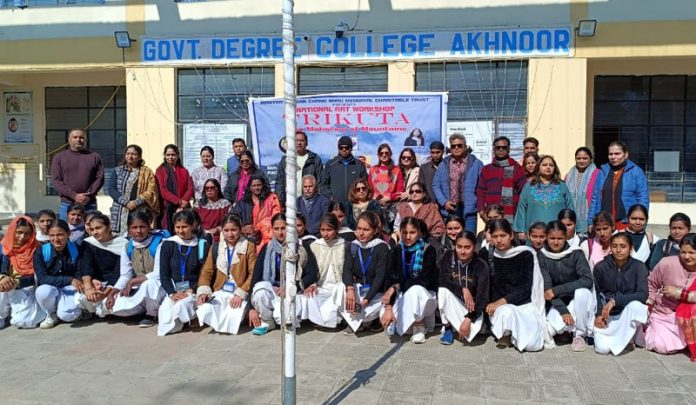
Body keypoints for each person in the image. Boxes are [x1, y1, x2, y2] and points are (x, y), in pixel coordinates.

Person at [480, 219, 545, 352]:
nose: (499, 240)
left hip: (523, 305)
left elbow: (526, 289)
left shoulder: (525, 254)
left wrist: (502, 301)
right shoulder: (485, 253)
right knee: (505, 312)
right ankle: (506, 333)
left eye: (503, 236)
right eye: (495, 236)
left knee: (533, 345)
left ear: (511, 235)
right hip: (498, 309)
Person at [248, 213, 314, 335]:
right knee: (259, 289)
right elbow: (256, 277)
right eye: (276, 229)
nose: (280, 232)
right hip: (272, 289)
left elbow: (312, 273)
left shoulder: (301, 247)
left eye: (283, 228)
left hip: (292, 290)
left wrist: (291, 287)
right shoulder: (266, 249)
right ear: (272, 229)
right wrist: (251, 307)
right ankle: (267, 321)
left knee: (286, 320)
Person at [196, 213, 257, 335]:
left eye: (234, 230)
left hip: (238, 291)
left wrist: (241, 293)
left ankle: (241, 316)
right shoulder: (217, 246)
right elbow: (207, 271)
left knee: (231, 318)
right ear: (222, 231)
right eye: (226, 230)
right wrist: (204, 291)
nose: (230, 234)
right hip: (221, 290)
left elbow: (252, 273)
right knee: (204, 308)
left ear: (240, 230)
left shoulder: (248, 246)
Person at [539, 221, 595, 352]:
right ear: (546, 237)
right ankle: (566, 331)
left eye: (560, 238)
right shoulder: (542, 256)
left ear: (566, 237)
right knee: (549, 331)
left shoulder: (576, 253)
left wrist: (557, 290)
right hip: (556, 302)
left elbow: (587, 280)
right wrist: (564, 311)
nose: (556, 242)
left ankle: (579, 335)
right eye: (552, 238)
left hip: (578, 300)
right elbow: (547, 289)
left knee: (582, 292)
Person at [380, 218, 438, 343]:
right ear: (400, 232)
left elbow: (423, 280)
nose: (408, 236)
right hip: (401, 294)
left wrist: (395, 287)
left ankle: (419, 326)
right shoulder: (395, 250)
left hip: (423, 297)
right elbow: (389, 278)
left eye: (412, 232)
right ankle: (408, 325)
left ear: (419, 233)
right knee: (384, 316)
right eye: (405, 232)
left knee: (415, 290)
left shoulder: (428, 250)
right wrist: (389, 307)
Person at [107, 210, 167, 327]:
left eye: (142, 227)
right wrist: (112, 292)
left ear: (149, 225)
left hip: (160, 285)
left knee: (150, 284)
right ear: (129, 229)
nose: (138, 231)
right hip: (139, 286)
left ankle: (151, 315)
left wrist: (133, 281)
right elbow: (125, 275)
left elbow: (160, 273)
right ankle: (142, 309)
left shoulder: (161, 243)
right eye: (134, 227)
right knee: (114, 306)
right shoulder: (128, 247)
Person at [592, 233, 649, 355]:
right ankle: (623, 338)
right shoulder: (601, 267)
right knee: (602, 350)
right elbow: (595, 292)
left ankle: (629, 336)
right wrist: (598, 314)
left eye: (623, 246)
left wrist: (614, 301)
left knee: (637, 306)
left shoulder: (639, 267)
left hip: (627, 315)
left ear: (631, 248)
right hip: (607, 316)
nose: (618, 250)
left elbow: (642, 295)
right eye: (614, 246)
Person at [642, 234, 696, 360]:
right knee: (661, 346)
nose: (687, 256)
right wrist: (649, 304)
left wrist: (679, 293)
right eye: (683, 252)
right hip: (664, 314)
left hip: (689, 318)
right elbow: (651, 284)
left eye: (692, 253)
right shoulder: (668, 263)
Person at [157, 210, 209, 336]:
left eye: (185, 227)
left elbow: (204, 274)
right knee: (165, 315)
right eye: (177, 227)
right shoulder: (168, 245)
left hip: (193, 291)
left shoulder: (201, 245)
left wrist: (191, 290)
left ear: (193, 226)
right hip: (175, 290)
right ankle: (185, 319)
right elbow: (164, 275)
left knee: (181, 307)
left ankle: (191, 317)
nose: (181, 231)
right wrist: (172, 293)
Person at [341, 211, 390, 334]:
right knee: (340, 290)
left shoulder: (382, 247)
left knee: (375, 308)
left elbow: (380, 276)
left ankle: (367, 321)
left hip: (375, 293)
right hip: (360, 288)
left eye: (366, 229)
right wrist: (350, 289)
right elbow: (347, 269)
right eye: (359, 228)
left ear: (374, 231)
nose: (361, 233)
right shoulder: (353, 246)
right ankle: (358, 322)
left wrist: (367, 300)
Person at [438, 231, 490, 345]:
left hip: (473, 311)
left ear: (474, 247)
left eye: (467, 247)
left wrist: (469, 318)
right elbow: (443, 280)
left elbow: (483, 297)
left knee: (476, 332)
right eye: (459, 247)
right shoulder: (448, 256)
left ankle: (471, 326)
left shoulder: (481, 265)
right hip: (454, 305)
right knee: (443, 291)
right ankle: (448, 328)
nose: (462, 251)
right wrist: (462, 289)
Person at [589, 140, 649, 231]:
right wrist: (591, 221)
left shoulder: (636, 172)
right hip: (604, 223)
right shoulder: (602, 172)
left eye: (617, 154)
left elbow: (643, 198)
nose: (613, 157)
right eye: (610, 154)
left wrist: (640, 221)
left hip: (626, 222)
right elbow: (595, 198)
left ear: (626, 155)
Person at [33, 220, 83, 328]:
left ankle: (73, 311)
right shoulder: (40, 252)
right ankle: (51, 314)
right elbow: (42, 278)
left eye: (60, 235)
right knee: (42, 291)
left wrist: (72, 282)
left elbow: (79, 273)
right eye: (52, 235)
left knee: (67, 315)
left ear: (68, 234)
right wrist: (69, 280)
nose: (56, 239)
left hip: (71, 288)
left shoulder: (76, 250)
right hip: (51, 287)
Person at [76, 214, 128, 317]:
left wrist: (106, 293)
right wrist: (89, 286)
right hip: (95, 284)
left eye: (98, 228)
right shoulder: (88, 243)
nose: (95, 232)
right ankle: (93, 312)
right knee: (80, 299)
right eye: (92, 229)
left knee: (116, 305)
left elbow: (120, 271)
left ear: (109, 227)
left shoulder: (122, 244)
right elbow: (86, 265)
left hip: (115, 285)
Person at [513, 155, 574, 240]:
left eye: (551, 165)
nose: (548, 167)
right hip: (534, 235)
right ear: (538, 167)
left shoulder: (562, 186)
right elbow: (521, 209)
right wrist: (521, 230)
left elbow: (570, 208)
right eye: (544, 165)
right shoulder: (529, 186)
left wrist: (569, 229)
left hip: (556, 234)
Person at [301, 213, 346, 328]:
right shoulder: (315, 245)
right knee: (309, 296)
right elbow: (309, 269)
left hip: (339, 286)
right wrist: (312, 284)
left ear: (336, 230)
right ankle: (320, 320)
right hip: (321, 287)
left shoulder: (344, 245)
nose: (325, 234)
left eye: (329, 230)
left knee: (341, 291)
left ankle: (341, 320)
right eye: (323, 230)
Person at [0, 216, 45, 329]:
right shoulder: (4, 247)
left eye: (27, 233)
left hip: (27, 286)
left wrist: (17, 282)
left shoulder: (38, 249)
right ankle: (2, 317)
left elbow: (40, 275)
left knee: (23, 322)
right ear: (12, 231)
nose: (22, 237)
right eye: (19, 232)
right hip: (7, 285)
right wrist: (2, 277)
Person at [50, 128, 104, 220]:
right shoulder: (59, 158)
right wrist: (73, 195)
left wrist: (88, 195)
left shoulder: (95, 157)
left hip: (89, 203)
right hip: (67, 204)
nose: (78, 140)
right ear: (69, 139)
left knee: (91, 231)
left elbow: (100, 178)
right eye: (75, 137)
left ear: (85, 139)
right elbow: (56, 180)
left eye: (81, 137)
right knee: (66, 232)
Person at [433, 134, 483, 232]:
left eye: (459, 145)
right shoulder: (444, 164)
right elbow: (435, 185)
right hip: (450, 210)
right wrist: (444, 202)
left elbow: (482, 187)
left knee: (469, 240)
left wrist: (475, 202)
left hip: (469, 211)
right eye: (453, 146)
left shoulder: (476, 164)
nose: (456, 148)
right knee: (451, 242)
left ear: (465, 146)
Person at [107, 144, 160, 235]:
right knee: (120, 238)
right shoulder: (117, 171)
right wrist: (126, 202)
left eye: (134, 154)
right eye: (128, 154)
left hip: (139, 209)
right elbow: (111, 189)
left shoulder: (146, 172)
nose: (130, 156)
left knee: (138, 234)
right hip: (120, 209)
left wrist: (136, 202)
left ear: (139, 157)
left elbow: (151, 190)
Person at [476, 136, 527, 224]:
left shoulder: (517, 169)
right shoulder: (486, 169)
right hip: (490, 217)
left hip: (513, 217)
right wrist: (481, 212)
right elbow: (480, 192)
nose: (501, 149)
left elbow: (524, 193)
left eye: (504, 147)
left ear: (509, 149)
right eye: (498, 147)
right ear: (494, 149)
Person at [232, 174, 281, 250]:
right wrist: (242, 228)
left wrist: (258, 227)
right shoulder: (242, 203)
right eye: (254, 186)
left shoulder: (272, 198)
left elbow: (276, 218)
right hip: (247, 238)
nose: (257, 188)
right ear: (250, 187)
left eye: (259, 185)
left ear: (263, 186)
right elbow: (233, 219)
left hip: (268, 238)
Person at [275, 130, 323, 207]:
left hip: (310, 202)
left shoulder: (315, 159)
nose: (299, 143)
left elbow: (320, 182)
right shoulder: (286, 160)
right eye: (296, 141)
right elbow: (280, 182)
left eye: (302, 141)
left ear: (306, 143)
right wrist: (281, 200)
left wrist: (319, 201)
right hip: (290, 201)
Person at [155, 144, 194, 233]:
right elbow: (162, 190)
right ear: (164, 156)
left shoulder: (184, 171)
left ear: (177, 155)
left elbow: (190, 188)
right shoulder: (160, 170)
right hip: (166, 207)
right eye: (168, 155)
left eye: (173, 155)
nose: (170, 157)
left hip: (183, 207)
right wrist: (178, 201)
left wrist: (183, 202)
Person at [319, 136, 368, 204]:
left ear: (351, 148)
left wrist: (359, 197)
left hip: (355, 204)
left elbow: (365, 184)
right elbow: (323, 184)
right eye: (341, 147)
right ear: (338, 148)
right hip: (335, 205)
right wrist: (330, 197)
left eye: (347, 147)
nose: (344, 149)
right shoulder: (330, 164)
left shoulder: (359, 165)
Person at [564, 147, 599, 234]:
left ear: (591, 159)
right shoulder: (568, 175)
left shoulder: (597, 173)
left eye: (585, 158)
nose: (581, 161)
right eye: (578, 158)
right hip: (570, 217)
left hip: (589, 217)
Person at [368, 144, 404, 210]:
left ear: (390, 154)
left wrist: (389, 198)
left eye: (386, 153)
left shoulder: (397, 170)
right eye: (381, 153)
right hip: (375, 206)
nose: (384, 155)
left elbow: (400, 191)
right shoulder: (372, 169)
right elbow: (369, 189)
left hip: (391, 206)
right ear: (378, 155)